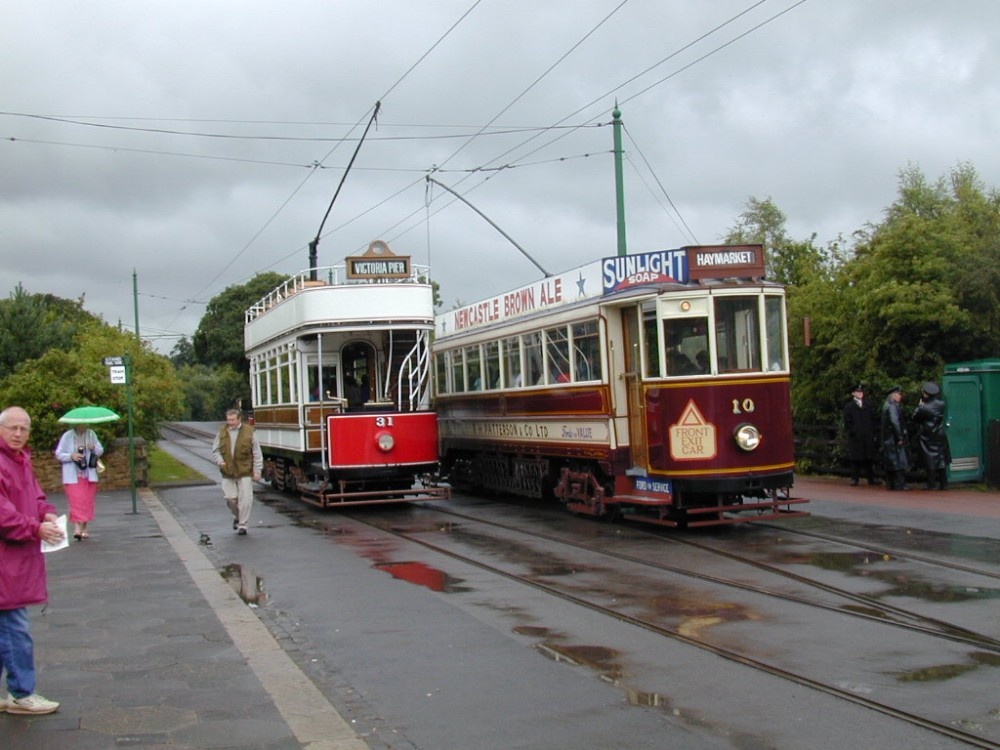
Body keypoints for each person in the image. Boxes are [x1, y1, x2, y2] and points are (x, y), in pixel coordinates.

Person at [0, 406, 64, 715]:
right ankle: (22, 693)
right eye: (12, 428)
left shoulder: (21, 460)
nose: (18, 434)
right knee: (15, 631)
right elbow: (3, 515)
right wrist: (35, 528)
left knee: (6, 630)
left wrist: (45, 512)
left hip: (16, 562)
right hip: (4, 563)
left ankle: (15, 692)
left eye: (23, 429)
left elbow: (35, 497)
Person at [211, 409, 263, 535]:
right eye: (228, 420)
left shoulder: (249, 432)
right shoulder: (222, 431)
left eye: (233, 420)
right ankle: (238, 517)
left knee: (245, 499)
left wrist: (257, 470)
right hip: (227, 470)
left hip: (244, 470)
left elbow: (257, 453)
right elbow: (215, 449)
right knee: (230, 498)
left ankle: (243, 525)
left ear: (239, 419)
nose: (231, 422)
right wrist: (220, 462)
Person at [54, 424, 104, 540]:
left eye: (86, 424)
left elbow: (100, 450)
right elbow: (59, 454)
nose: (84, 426)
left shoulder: (91, 434)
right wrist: (71, 456)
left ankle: (84, 527)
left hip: (88, 474)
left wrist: (93, 448)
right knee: (76, 500)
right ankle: (77, 528)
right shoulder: (67, 436)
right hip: (72, 475)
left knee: (86, 501)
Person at [912, 381, 951, 490]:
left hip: (928, 435)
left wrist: (919, 406)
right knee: (941, 459)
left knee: (930, 460)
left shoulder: (925, 408)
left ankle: (931, 484)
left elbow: (915, 418)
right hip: (939, 433)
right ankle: (944, 483)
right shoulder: (941, 404)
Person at [842, 383, 880, 486]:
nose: (860, 393)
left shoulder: (868, 405)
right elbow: (847, 422)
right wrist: (853, 432)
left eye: (861, 391)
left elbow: (874, 419)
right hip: (856, 437)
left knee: (870, 458)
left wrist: (873, 432)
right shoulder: (849, 407)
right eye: (858, 392)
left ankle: (871, 478)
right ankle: (855, 478)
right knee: (856, 459)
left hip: (868, 436)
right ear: (853, 393)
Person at [880, 385, 910, 491]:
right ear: (893, 395)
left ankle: (891, 484)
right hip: (893, 439)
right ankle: (899, 484)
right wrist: (900, 437)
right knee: (898, 462)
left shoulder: (887, 405)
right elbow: (895, 422)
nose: (900, 397)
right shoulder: (892, 406)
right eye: (898, 394)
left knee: (891, 462)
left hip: (888, 439)